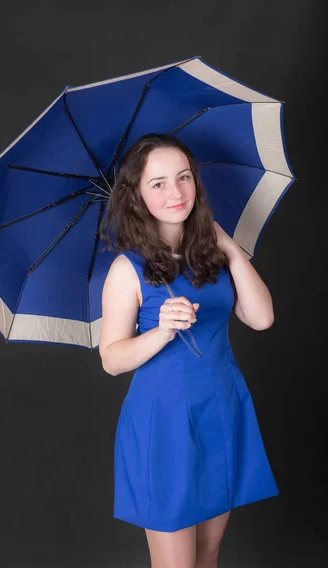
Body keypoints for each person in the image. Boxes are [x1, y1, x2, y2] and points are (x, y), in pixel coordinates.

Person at [98, 133, 280, 568]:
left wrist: (232, 250)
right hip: (165, 423)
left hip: (221, 410)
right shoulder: (128, 268)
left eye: (183, 177)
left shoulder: (211, 257)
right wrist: (160, 332)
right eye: (157, 182)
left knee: (207, 553)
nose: (175, 192)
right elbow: (111, 359)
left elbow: (262, 318)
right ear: (137, 194)